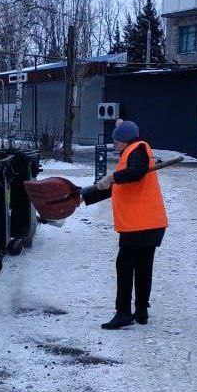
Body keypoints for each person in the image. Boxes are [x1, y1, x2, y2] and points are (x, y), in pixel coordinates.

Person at [79, 119, 168, 330]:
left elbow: (134, 174)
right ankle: (141, 311)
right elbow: (119, 186)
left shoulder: (137, 149)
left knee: (125, 267)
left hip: (138, 225)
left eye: (117, 141)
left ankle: (123, 312)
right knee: (143, 266)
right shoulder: (136, 151)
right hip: (150, 223)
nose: (115, 145)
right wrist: (87, 196)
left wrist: (112, 177)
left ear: (125, 140)